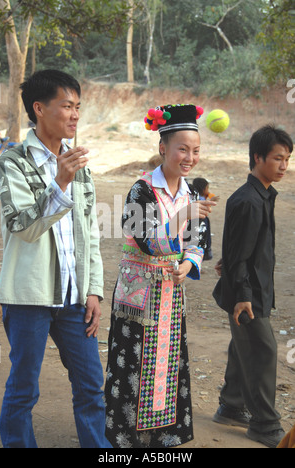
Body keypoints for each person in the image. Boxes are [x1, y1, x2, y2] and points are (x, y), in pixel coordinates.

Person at [0, 69, 111, 448]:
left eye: (78, 107)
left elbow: (89, 236)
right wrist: (59, 183)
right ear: (39, 108)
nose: (75, 115)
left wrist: (93, 289)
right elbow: (22, 226)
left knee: (92, 383)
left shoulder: (78, 166)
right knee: (24, 388)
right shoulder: (14, 161)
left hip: (75, 298)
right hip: (28, 296)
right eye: (67, 106)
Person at [104, 104, 216, 448]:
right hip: (139, 297)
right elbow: (146, 240)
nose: (190, 157)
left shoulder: (193, 191)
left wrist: (188, 264)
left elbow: (199, 240)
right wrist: (183, 213)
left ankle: (165, 439)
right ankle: (126, 442)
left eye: (195, 150)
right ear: (162, 148)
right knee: (133, 368)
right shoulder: (141, 190)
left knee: (168, 368)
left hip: (171, 293)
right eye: (182, 149)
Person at [213, 125, 293, 448]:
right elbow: (242, 256)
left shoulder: (260, 195)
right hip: (247, 296)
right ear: (257, 157)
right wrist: (243, 298)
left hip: (252, 289)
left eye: (287, 159)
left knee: (242, 346)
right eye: (277, 158)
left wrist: (230, 262)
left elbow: (239, 248)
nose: (284, 166)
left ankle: (231, 405)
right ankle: (264, 424)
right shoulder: (250, 200)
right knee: (262, 350)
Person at [192, 178, 219, 260]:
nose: (208, 190)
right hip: (200, 223)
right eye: (207, 188)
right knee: (202, 240)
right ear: (203, 189)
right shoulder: (199, 199)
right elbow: (202, 209)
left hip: (199, 223)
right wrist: (210, 201)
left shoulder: (195, 197)